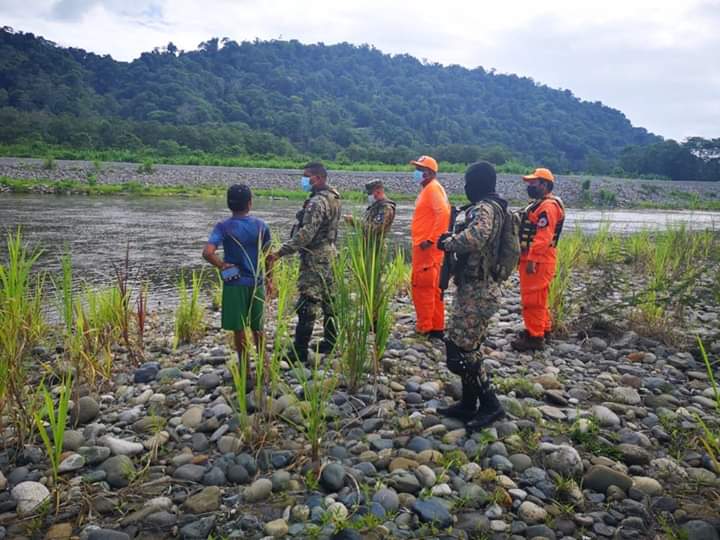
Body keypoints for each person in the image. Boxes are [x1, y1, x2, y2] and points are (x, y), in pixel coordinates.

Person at [437, 161, 506, 430]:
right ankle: (468, 404)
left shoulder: (484, 209)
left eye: (468, 181)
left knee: (459, 351)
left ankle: (491, 405)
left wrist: (448, 242)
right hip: (476, 287)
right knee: (469, 347)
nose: (465, 187)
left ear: (476, 183)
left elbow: (476, 237)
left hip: (478, 290)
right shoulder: (496, 206)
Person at [267, 162, 341, 363]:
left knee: (308, 302)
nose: (304, 180)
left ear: (317, 178)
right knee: (329, 299)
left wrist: (281, 252)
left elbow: (307, 233)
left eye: (306, 176)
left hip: (315, 256)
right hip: (330, 253)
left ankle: (299, 350)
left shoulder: (317, 202)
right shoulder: (334, 197)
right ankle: (330, 341)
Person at [202, 184, 273, 371]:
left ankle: (244, 367)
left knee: (239, 328)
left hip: (234, 283)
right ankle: (264, 366)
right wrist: (270, 279)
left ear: (229, 204)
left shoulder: (223, 227)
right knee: (258, 327)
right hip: (257, 282)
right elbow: (269, 257)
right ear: (250, 203)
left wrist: (223, 265)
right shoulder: (261, 226)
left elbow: (208, 252)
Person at [513, 167, 566, 352]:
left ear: (544, 185)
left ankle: (534, 337)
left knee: (533, 299)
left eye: (534, 183)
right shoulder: (541, 203)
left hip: (539, 259)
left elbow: (544, 236)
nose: (530, 186)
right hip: (538, 257)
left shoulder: (548, 207)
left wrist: (533, 259)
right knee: (539, 297)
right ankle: (544, 328)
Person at [409, 155, 451, 339]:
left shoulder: (433, 189)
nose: (417, 173)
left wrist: (431, 239)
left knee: (423, 286)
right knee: (433, 288)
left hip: (426, 248)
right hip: (426, 247)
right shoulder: (430, 189)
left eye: (420, 169)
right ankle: (436, 326)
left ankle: (424, 327)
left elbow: (443, 213)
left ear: (429, 173)